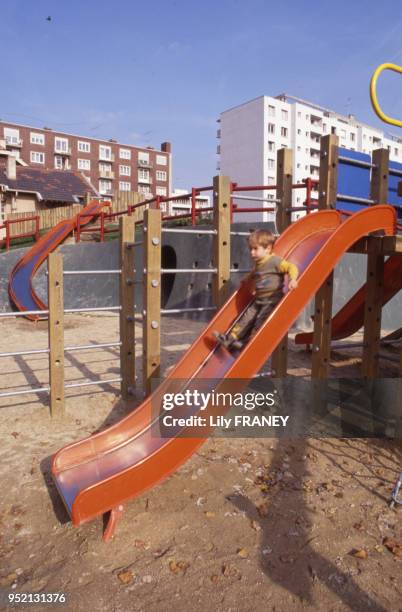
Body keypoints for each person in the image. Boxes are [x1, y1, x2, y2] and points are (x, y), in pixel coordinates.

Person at [213, 229, 299, 352]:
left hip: (271, 300)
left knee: (260, 322)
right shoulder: (258, 263)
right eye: (250, 249)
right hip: (258, 299)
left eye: (255, 249)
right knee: (245, 319)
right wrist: (246, 279)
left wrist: (293, 279)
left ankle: (248, 344)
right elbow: (254, 273)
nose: (252, 252)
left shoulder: (275, 261)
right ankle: (230, 340)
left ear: (267, 249)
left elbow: (292, 267)